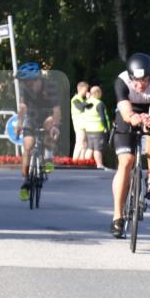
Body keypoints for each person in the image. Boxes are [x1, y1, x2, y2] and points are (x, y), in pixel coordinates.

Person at [110, 53, 150, 238]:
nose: (140, 85)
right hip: (128, 111)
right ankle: (117, 217)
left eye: (144, 80)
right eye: (136, 81)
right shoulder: (121, 81)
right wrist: (132, 117)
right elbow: (125, 111)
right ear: (130, 77)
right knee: (126, 162)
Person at [14, 62, 61, 201]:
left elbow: (57, 109)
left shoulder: (50, 87)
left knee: (49, 126)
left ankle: (48, 155)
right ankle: (26, 180)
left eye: (27, 81)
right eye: (24, 82)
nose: (25, 84)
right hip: (32, 117)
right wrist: (19, 123)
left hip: (48, 115)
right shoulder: (25, 90)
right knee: (28, 146)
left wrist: (55, 126)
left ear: (36, 79)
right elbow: (23, 107)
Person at [81, 85, 110, 170]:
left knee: (90, 147)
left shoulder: (86, 102)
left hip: (89, 129)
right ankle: (100, 164)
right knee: (98, 148)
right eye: (100, 92)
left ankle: (85, 164)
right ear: (97, 93)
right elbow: (102, 117)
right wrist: (106, 127)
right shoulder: (98, 103)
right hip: (98, 129)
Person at [70, 81, 90, 160]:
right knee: (80, 143)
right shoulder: (75, 99)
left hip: (84, 125)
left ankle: (82, 161)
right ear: (80, 89)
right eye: (86, 90)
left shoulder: (81, 99)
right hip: (79, 125)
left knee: (84, 144)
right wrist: (88, 100)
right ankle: (74, 160)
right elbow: (81, 108)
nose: (87, 92)